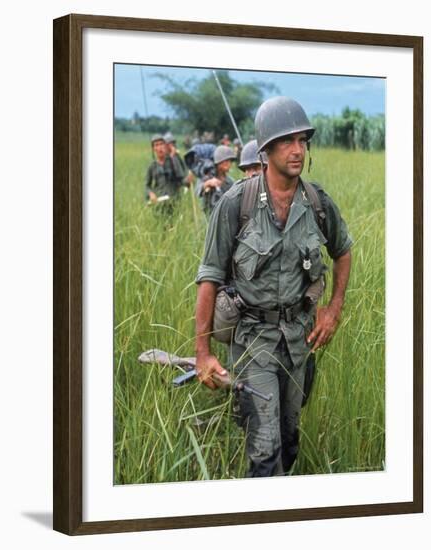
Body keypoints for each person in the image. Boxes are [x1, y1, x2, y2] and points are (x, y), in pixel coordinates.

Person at [194, 96, 353, 477]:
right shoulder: (236, 204)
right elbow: (210, 277)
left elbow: (343, 251)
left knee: (289, 440)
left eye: (302, 141)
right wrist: (202, 352)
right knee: (264, 454)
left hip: (299, 342)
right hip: (252, 342)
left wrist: (333, 309)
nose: (297, 150)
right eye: (287, 141)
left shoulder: (317, 203)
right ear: (266, 149)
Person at [145, 134, 187, 205]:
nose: (159, 147)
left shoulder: (173, 160)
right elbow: (147, 186)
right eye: (156, 145)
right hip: (159, 202)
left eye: (161, 144)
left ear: (165, 146)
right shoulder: (152, 166)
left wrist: (173, 157)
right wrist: (151, 194)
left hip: (175, 201)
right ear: (153, 148)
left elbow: (181, 176)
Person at [195, 144, 237, 214]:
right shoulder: (206, 177)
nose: (229, 164)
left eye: (230, 161)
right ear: (218, 162)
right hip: (208, 216)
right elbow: (197, 191)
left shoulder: (230, 181)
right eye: (226, 161)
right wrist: (207, 183)